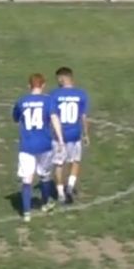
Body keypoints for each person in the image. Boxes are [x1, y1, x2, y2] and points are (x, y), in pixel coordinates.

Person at [13, 73, 64, 222]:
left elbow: (16, 118)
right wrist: (60, 139)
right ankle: (45, 203)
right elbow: (54, 119)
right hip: (44, 144)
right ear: (43, 85)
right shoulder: (49, 100)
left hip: (27, 145)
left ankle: (27, 212)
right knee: (45, 175)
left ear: (29, 86)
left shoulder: (22, 101)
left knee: (27, 178)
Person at [51, 67, 90, 203]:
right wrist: (86, 134)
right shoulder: (81, 94)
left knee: (59, 164)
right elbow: (83, 116)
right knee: (75, 161)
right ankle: (70, 186)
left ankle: (61, 192)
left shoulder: (54, 94)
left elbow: (52, 115)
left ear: (62, 78)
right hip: (75, 134)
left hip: (59, 136)